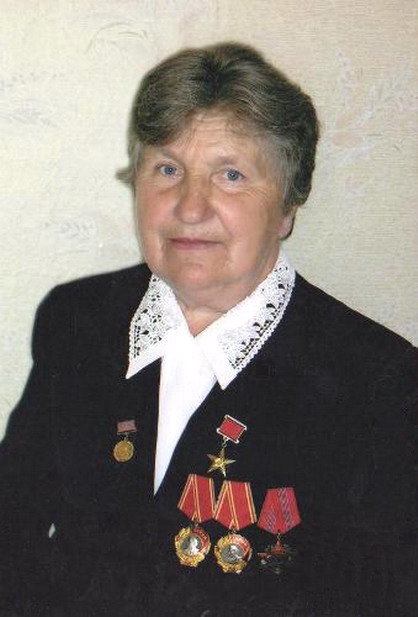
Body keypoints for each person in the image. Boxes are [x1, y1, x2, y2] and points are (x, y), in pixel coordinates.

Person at [0, 42, 416, 617]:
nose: (190, 208)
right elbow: (12, 530)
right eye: (168, 169)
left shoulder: (380, 382)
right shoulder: (78, 320)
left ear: (288, 206)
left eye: (231, 175)